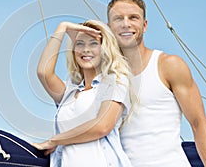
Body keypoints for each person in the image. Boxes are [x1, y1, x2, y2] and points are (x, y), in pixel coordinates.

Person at [107, 0, 206, 167]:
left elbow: (198, 122)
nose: (126, 24)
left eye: (133, 18)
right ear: (109, 27)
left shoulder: (168, 65)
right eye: (118, 19)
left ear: (144, 25)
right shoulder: (106, 77)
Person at [32, 20, 135, 167]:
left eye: (93, 43)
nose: (86, 49)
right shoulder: (69, 93)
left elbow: (102, 126)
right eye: (80, 43)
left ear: (104, 48)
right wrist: (62, 28)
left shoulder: (114, 82)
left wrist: (55, 140)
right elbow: (43, 72)